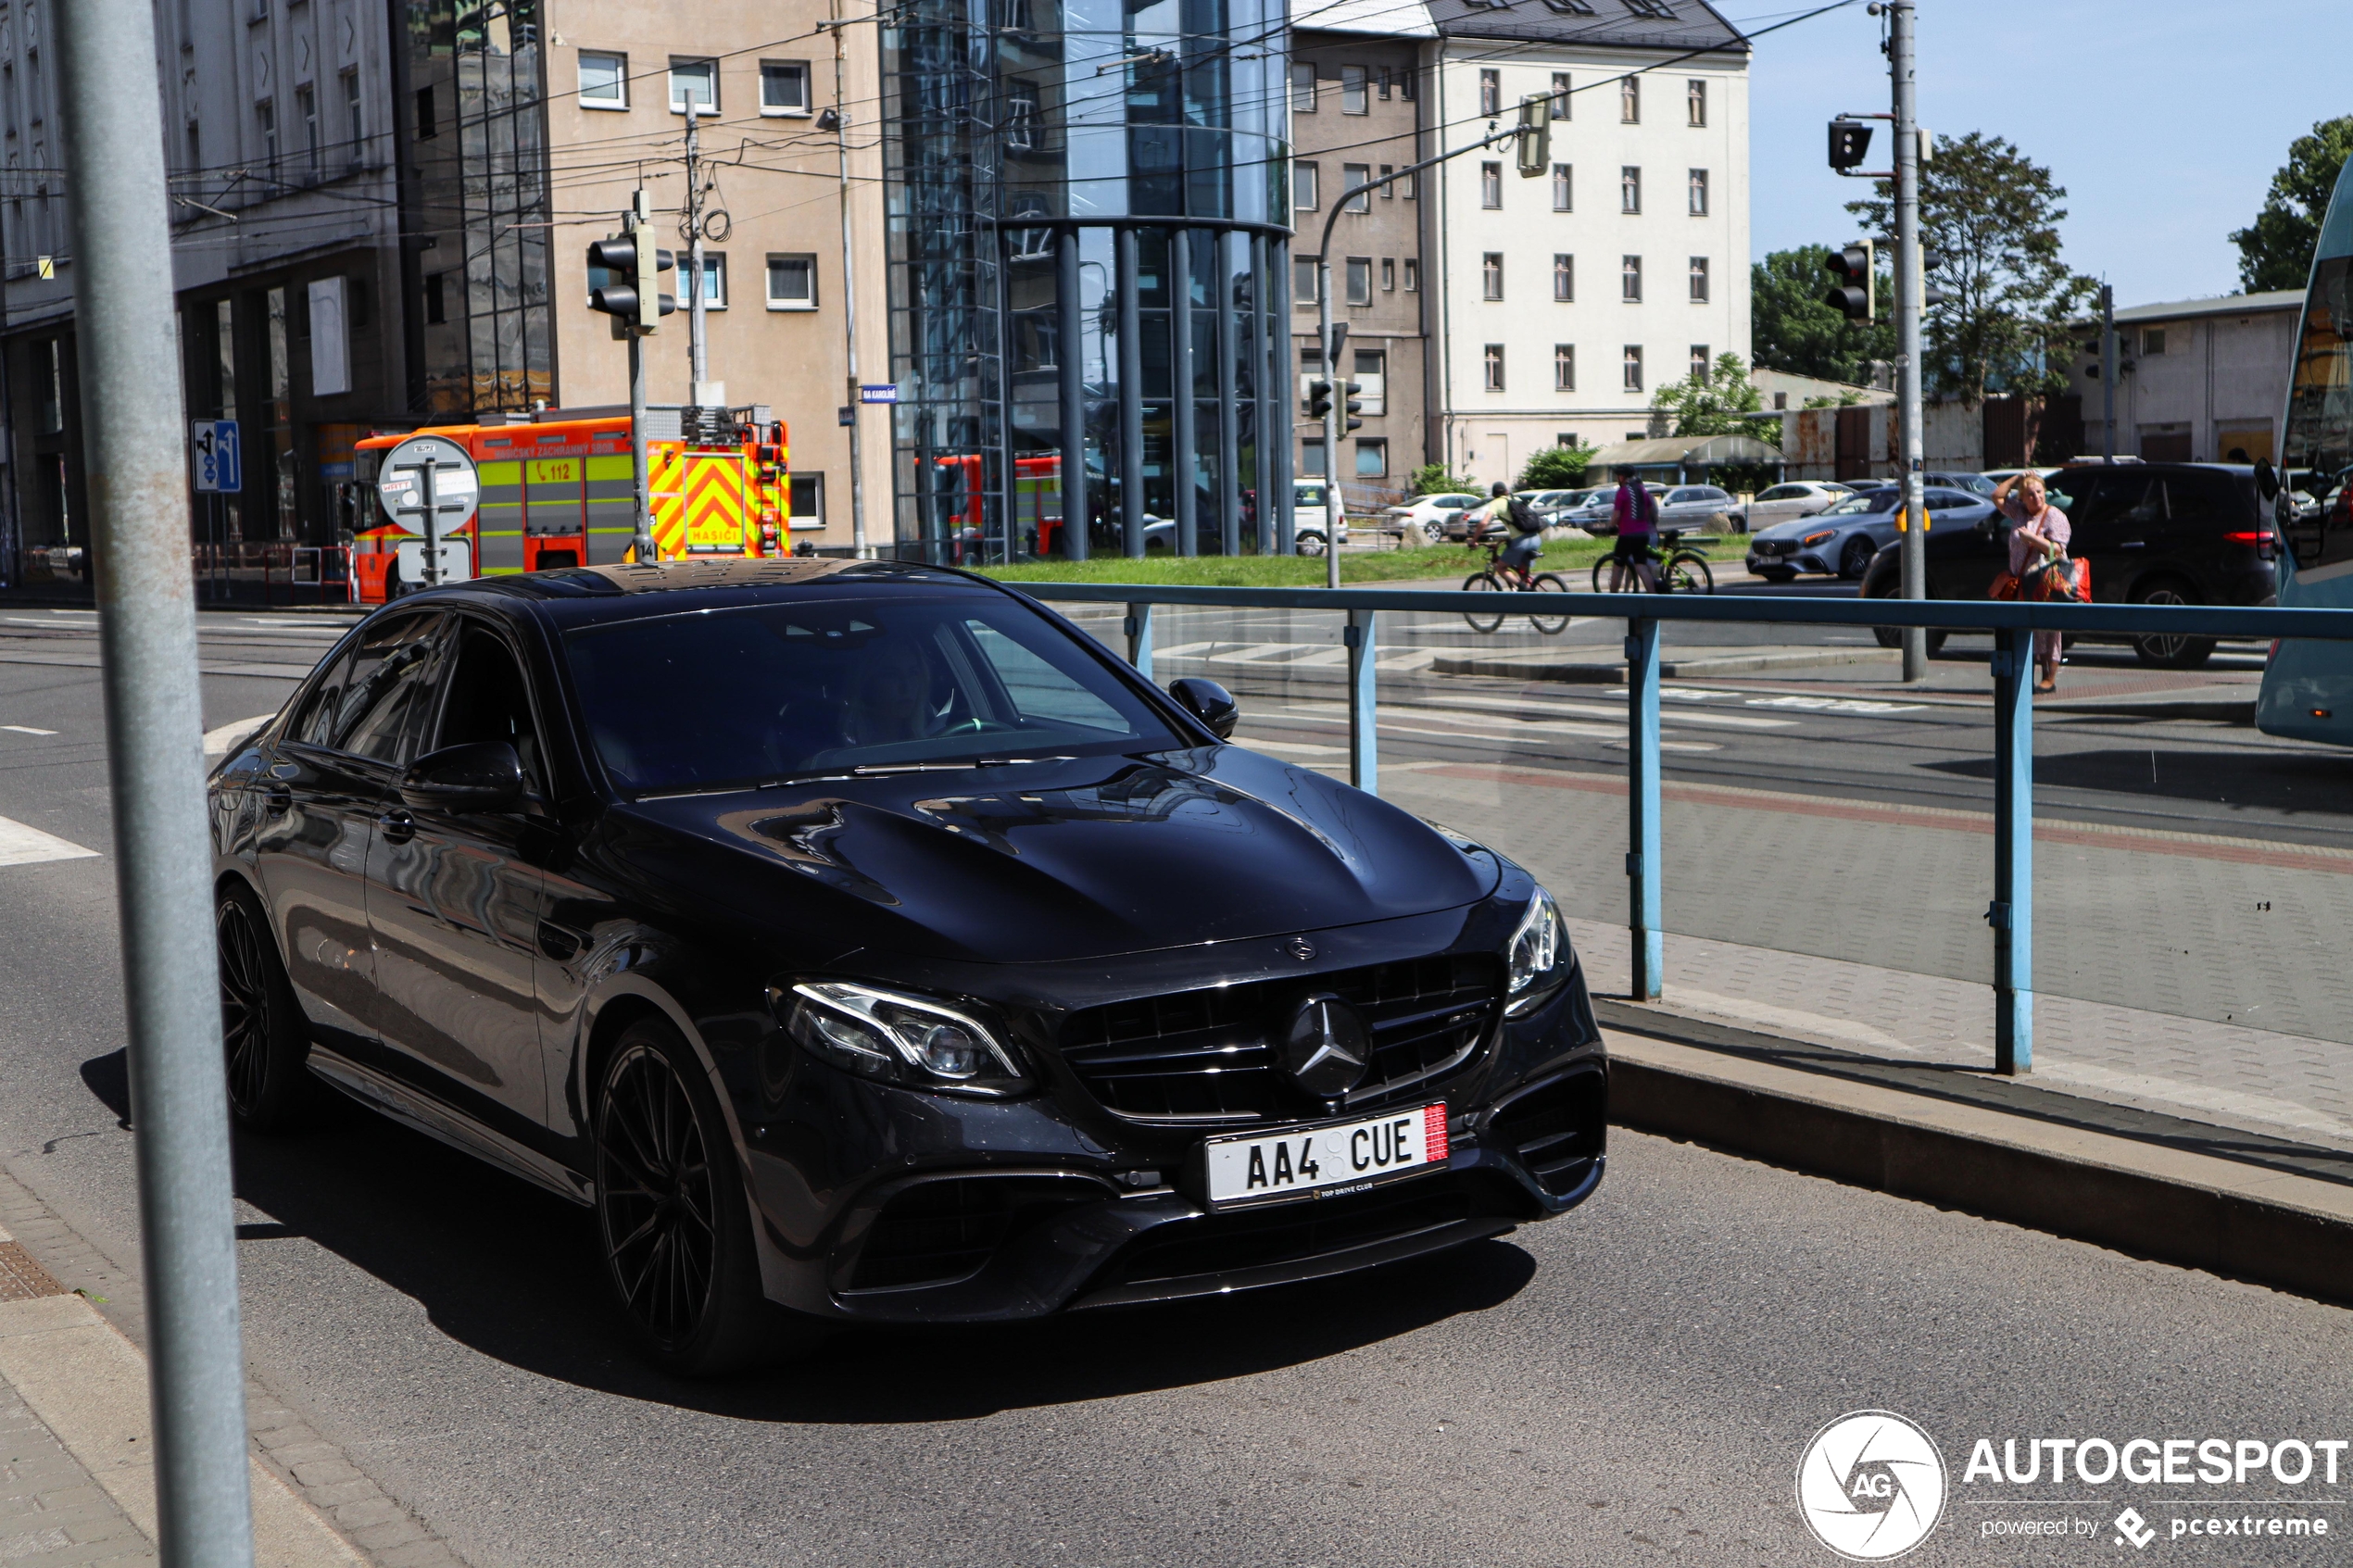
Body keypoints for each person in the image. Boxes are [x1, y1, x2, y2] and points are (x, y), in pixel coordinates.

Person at [1993, 470, 2070, 692]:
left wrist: (2033, 540)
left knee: (2049, 631)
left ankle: (2049, 679)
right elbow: (1997, 497)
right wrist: (2016, 479)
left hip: (2045, 580)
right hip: (2021, 581)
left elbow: (2058, 550)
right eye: (2029, 493)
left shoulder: (2054, 516)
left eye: (2039, 491)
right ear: (2022, 498)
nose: (2035, 497)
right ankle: (2027, 676)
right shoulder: (2019, 512)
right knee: (2027, 629)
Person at [1608, 475, 1658, 592]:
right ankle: (1654, 595)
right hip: (1644, 534)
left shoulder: (1623, 492)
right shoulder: (1645, 493)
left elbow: (1617, 515)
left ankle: (1611, 598)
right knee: (1641, 566)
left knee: (1618, 567)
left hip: (1627, 535)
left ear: (1622, 477)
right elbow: (1653, 514)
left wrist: (1611, 527)